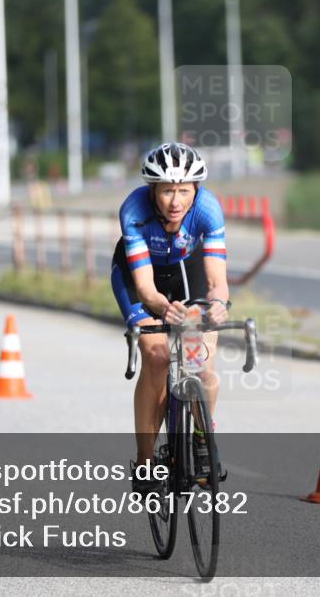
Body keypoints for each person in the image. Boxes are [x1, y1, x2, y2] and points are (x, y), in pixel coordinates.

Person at [110, 142, 230, 493]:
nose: (176, 201)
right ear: (153, 190)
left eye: (183, 190)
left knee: (203, 365)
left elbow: (216, 280)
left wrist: (218, 304)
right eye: (166, 191)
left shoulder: (208, 209)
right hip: (138, 278)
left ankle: (200, 440)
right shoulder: (133, 210)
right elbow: (147, 290)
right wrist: (164, 309)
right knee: (158, 355)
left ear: (196, 189)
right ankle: (145, 463)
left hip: (184, 271)